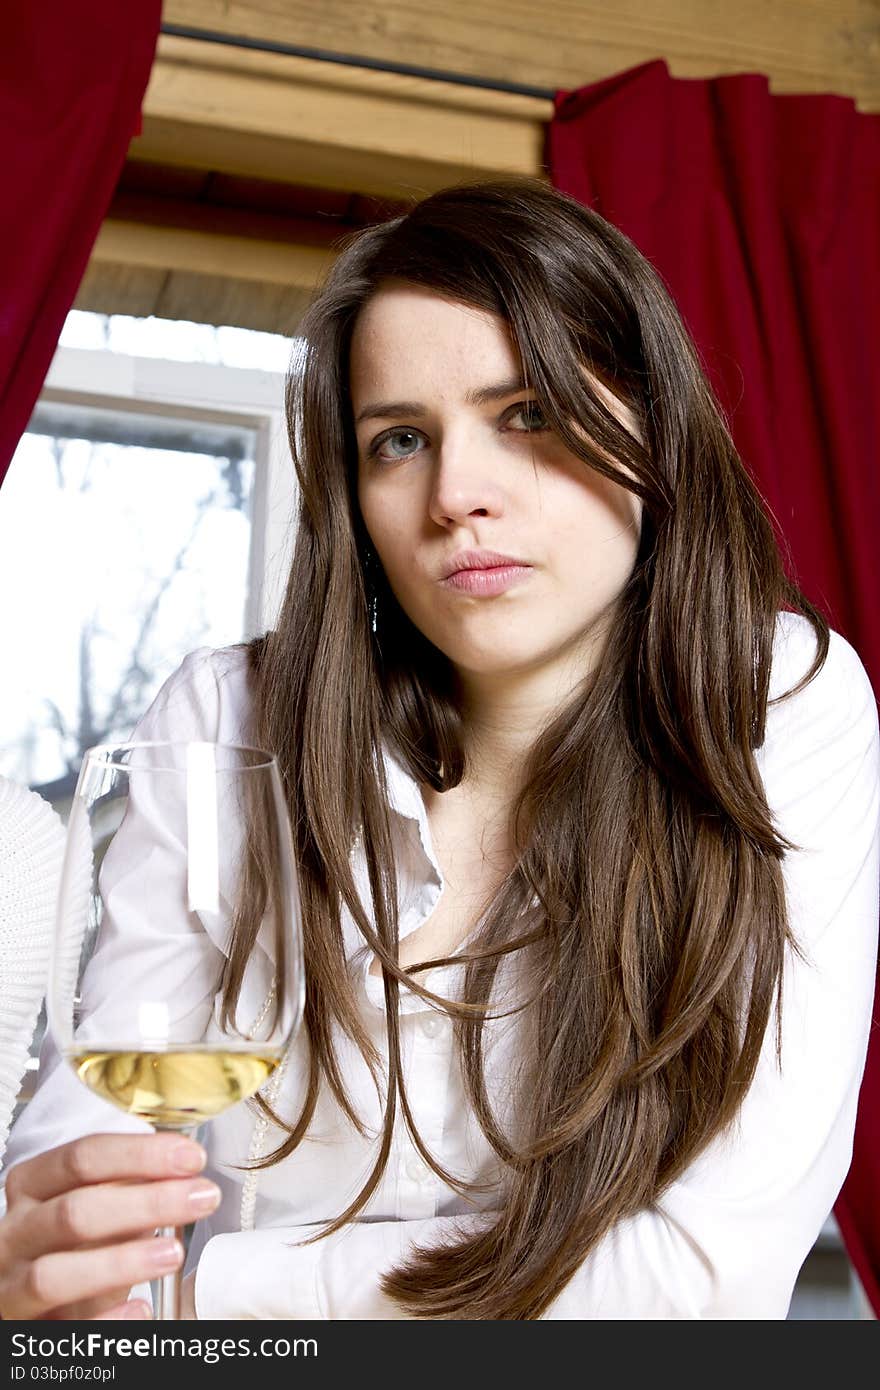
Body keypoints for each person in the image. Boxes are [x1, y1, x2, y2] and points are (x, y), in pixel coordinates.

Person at [1, 176, 878, 1321]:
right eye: (399, 440)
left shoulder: (778, 701)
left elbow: (693, 1284)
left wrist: (208, 1285)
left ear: (651, 424)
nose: (456, 494)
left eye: (526, 414)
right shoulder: (229, 717)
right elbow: (81, 1198)